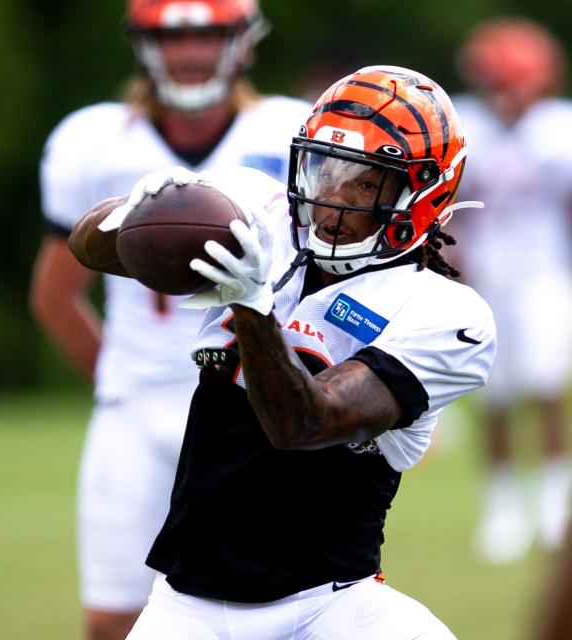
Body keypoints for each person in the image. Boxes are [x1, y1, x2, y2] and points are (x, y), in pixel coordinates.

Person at [69, 65, 495, 639]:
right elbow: (88, 246)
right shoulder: (260, 213)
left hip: (335, 609)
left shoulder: (446, 315)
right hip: (187, 610)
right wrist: (137, 213)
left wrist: (251, 304)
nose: (333, 200)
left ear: (425, 192)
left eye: (367, 183)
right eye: (326, 171)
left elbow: (305, 424)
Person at [29, 1, 311, 638]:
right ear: (143, 45)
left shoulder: (292, 131)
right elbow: (54, 294)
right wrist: (121, 384)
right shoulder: (93, 140)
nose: (189, 54)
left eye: (208, 35)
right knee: (114, 621)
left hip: (255, 409)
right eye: (173, 38)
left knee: (283, 612)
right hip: (138, 405)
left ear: (243, 41)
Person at [450, 17, 572, 564]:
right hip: (487, 278)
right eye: (496, 80)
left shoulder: (557, 130)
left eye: (512, 79)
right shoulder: (466, 124)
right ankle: (502, 508)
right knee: (494, 398)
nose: (504, 92)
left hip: (545, 275)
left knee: (546, 391)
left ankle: (552, 503)